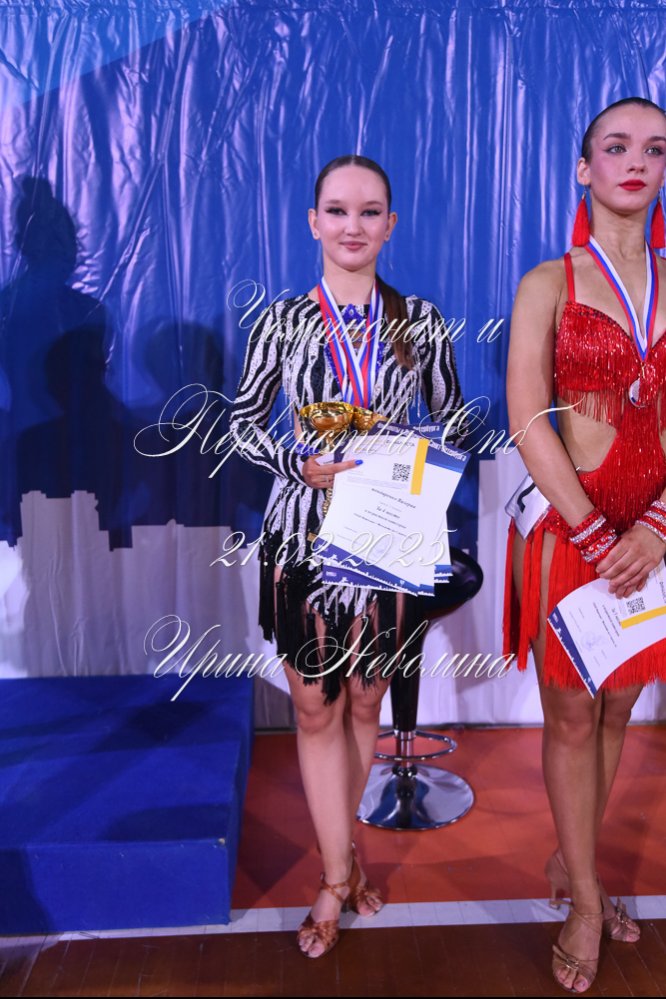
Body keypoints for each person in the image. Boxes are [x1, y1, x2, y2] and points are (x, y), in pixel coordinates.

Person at [230, 155, 465, 957]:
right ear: (313, 221)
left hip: (389, 531)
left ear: (390, 225)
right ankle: (337, 874)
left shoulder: (420, 320)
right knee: (312, 706)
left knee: (366, 702)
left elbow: (455, 420)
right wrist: (297, 461)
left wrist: (408, 454)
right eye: (337, 210)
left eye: (369, 212)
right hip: (302, 530)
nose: (352, 226)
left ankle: (342, 856)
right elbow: (240, 423)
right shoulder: (281, 321)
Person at [505, 97, 666, 993]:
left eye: (655, 149)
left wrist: (656, 528)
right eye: (617, 146)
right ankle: (584, 898)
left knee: (618, 712)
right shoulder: (547, 282)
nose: (636, 161)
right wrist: (599, 530)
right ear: (584, 168)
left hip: (654, 539)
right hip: (576, 529)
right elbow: (528, 416)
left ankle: (578, 862)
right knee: (571, 714)